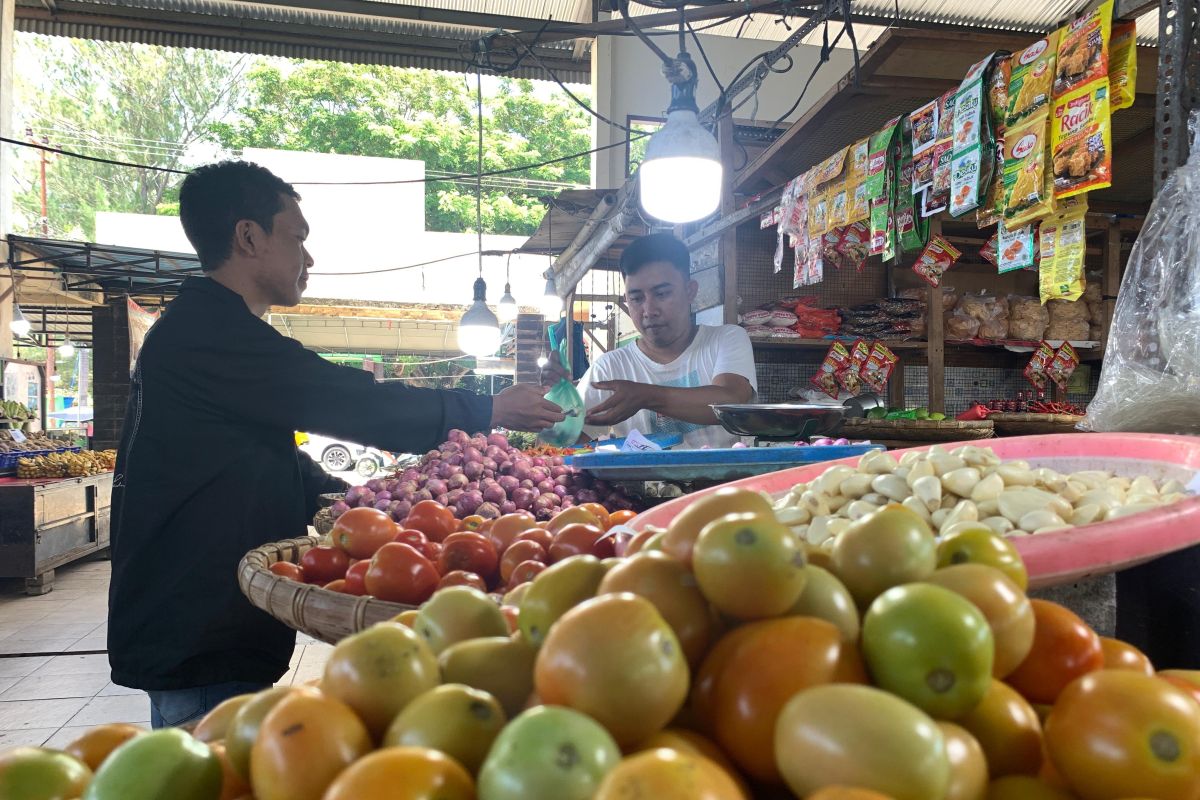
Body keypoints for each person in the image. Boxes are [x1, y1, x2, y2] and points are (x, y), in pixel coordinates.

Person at [107, 160, 564, 728]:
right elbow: (346, 398)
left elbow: (254, 456)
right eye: (297, 238)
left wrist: (358, 501)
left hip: (202, 622)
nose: (309, 257)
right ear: (249, 238)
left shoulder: (207, 331)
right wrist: (487, 408)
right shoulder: (212, 336)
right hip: (196, 631)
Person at [568, 232, 757, 449]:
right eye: (637, 298)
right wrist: (557, 406)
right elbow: (570, 441)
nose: (649, 310)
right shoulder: (609, 367)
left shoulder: (726, 339)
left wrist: (646, 396)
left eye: (662, 294)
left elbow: (731, 401)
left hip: (728, 483)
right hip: (641, 484)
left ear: (690, 291)